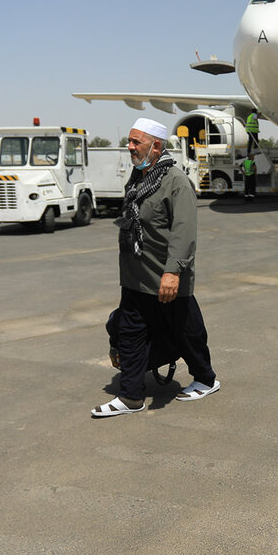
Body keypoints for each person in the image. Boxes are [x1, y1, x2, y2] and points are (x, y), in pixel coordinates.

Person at [92, 118, 219, 417]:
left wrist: (173, 271)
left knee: (187, 332)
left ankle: (205, 378)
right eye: (130, 140)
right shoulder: (137, 179)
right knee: (130, 333)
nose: (130, 146)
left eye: (136, 142)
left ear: (156, 146)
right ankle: (132, 396)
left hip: (166, 277)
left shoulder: (176, 181)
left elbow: (184, 231)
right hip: (136, 278)